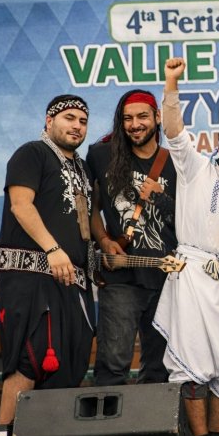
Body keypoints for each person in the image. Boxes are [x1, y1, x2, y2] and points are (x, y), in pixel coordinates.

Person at [152, 57, 219, 436]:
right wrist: (171, 84)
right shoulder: (195, 167)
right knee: (193, 358)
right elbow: (174, 130)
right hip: (192, 271)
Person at [0, 95, 95, 424]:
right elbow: (21, 205)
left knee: (69, 364)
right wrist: (53, 250)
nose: (77, 126)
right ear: (49, 121)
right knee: (31, 358)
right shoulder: (32, 153)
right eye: (69, 118)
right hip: (32, 277)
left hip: (73, 280)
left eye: (83, 121)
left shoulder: (82, 168)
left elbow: (83, 225)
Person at [87, 89, 175, 387]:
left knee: (160, 369)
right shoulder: (101, 155)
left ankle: (151, 421)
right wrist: (103, 240)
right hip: (121, 277)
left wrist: (162, 198)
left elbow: (188, 219)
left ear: (157, 117)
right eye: (127, 118)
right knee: (112, 365)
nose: (135, 124)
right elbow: (89, 207)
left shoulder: (176, 162)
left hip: (165, 279)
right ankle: (109, 421)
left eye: (142, 117)